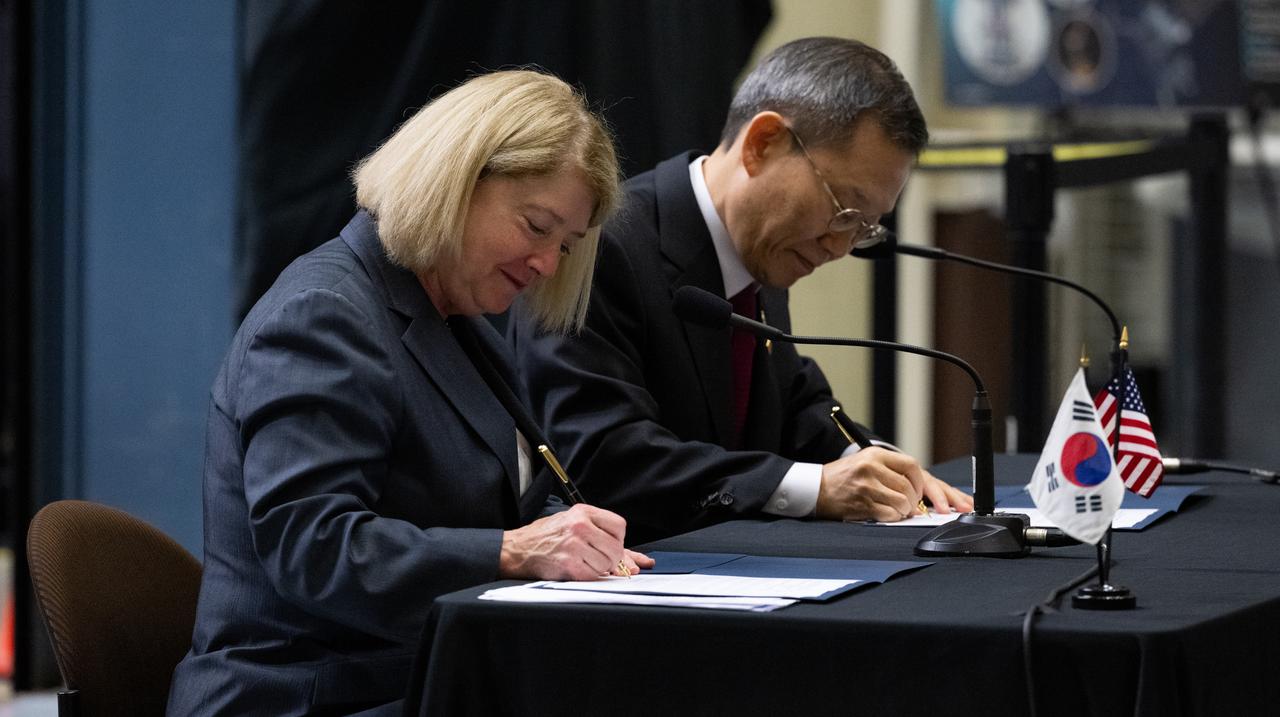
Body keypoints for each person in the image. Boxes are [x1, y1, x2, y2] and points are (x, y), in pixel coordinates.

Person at [167, 70, 652, 717]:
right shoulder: (325, 312)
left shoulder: (458, 323)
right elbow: (312, 544)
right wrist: (516, 550)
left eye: (564, 246)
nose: (547, 265)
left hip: (419, 679)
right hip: (308, 695)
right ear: (456, 178)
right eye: (536, 226)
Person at [511, 37, 974, 545]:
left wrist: (876, 464)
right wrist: (814, 487)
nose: (841, 246)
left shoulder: (760, 254)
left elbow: (798, 404)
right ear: (764, 144)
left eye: (864, 227)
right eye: (844, 208)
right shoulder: (605, 243)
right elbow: (602, 457)